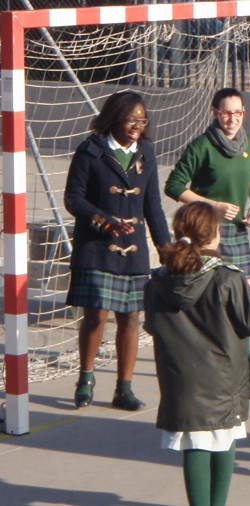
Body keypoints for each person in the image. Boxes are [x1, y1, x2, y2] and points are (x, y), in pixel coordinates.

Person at [143, 201, 250, 506]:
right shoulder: (226, 277)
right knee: (224, 440)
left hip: (180, 378)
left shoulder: (158, 282)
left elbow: (152, 325)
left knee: (194, 443)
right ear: (214, 234)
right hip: (222, 378)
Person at [64, 90, 170, 411]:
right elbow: (74, 199)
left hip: (133, 250)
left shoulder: (146, 153)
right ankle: (86, 378)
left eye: (142, 120)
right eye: (130, 119)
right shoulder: (90, 150)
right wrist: (104, 221)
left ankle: (124, 388)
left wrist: (166, 249)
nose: (137, 125)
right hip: (96, 248)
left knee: (131, 319)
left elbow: (153, 205)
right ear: (114, 119)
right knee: (96, 316)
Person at [164, 87, 250, 372]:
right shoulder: (202, 146)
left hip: (236, 230)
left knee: (247, 290)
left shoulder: (247, 142)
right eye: (226, 113)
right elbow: (174, 186)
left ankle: (246, 353)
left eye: (238, 113)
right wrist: (213, 206)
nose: (232, 119)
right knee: (208, 294)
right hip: (206, 231)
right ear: (215, 113)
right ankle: (198, 348)